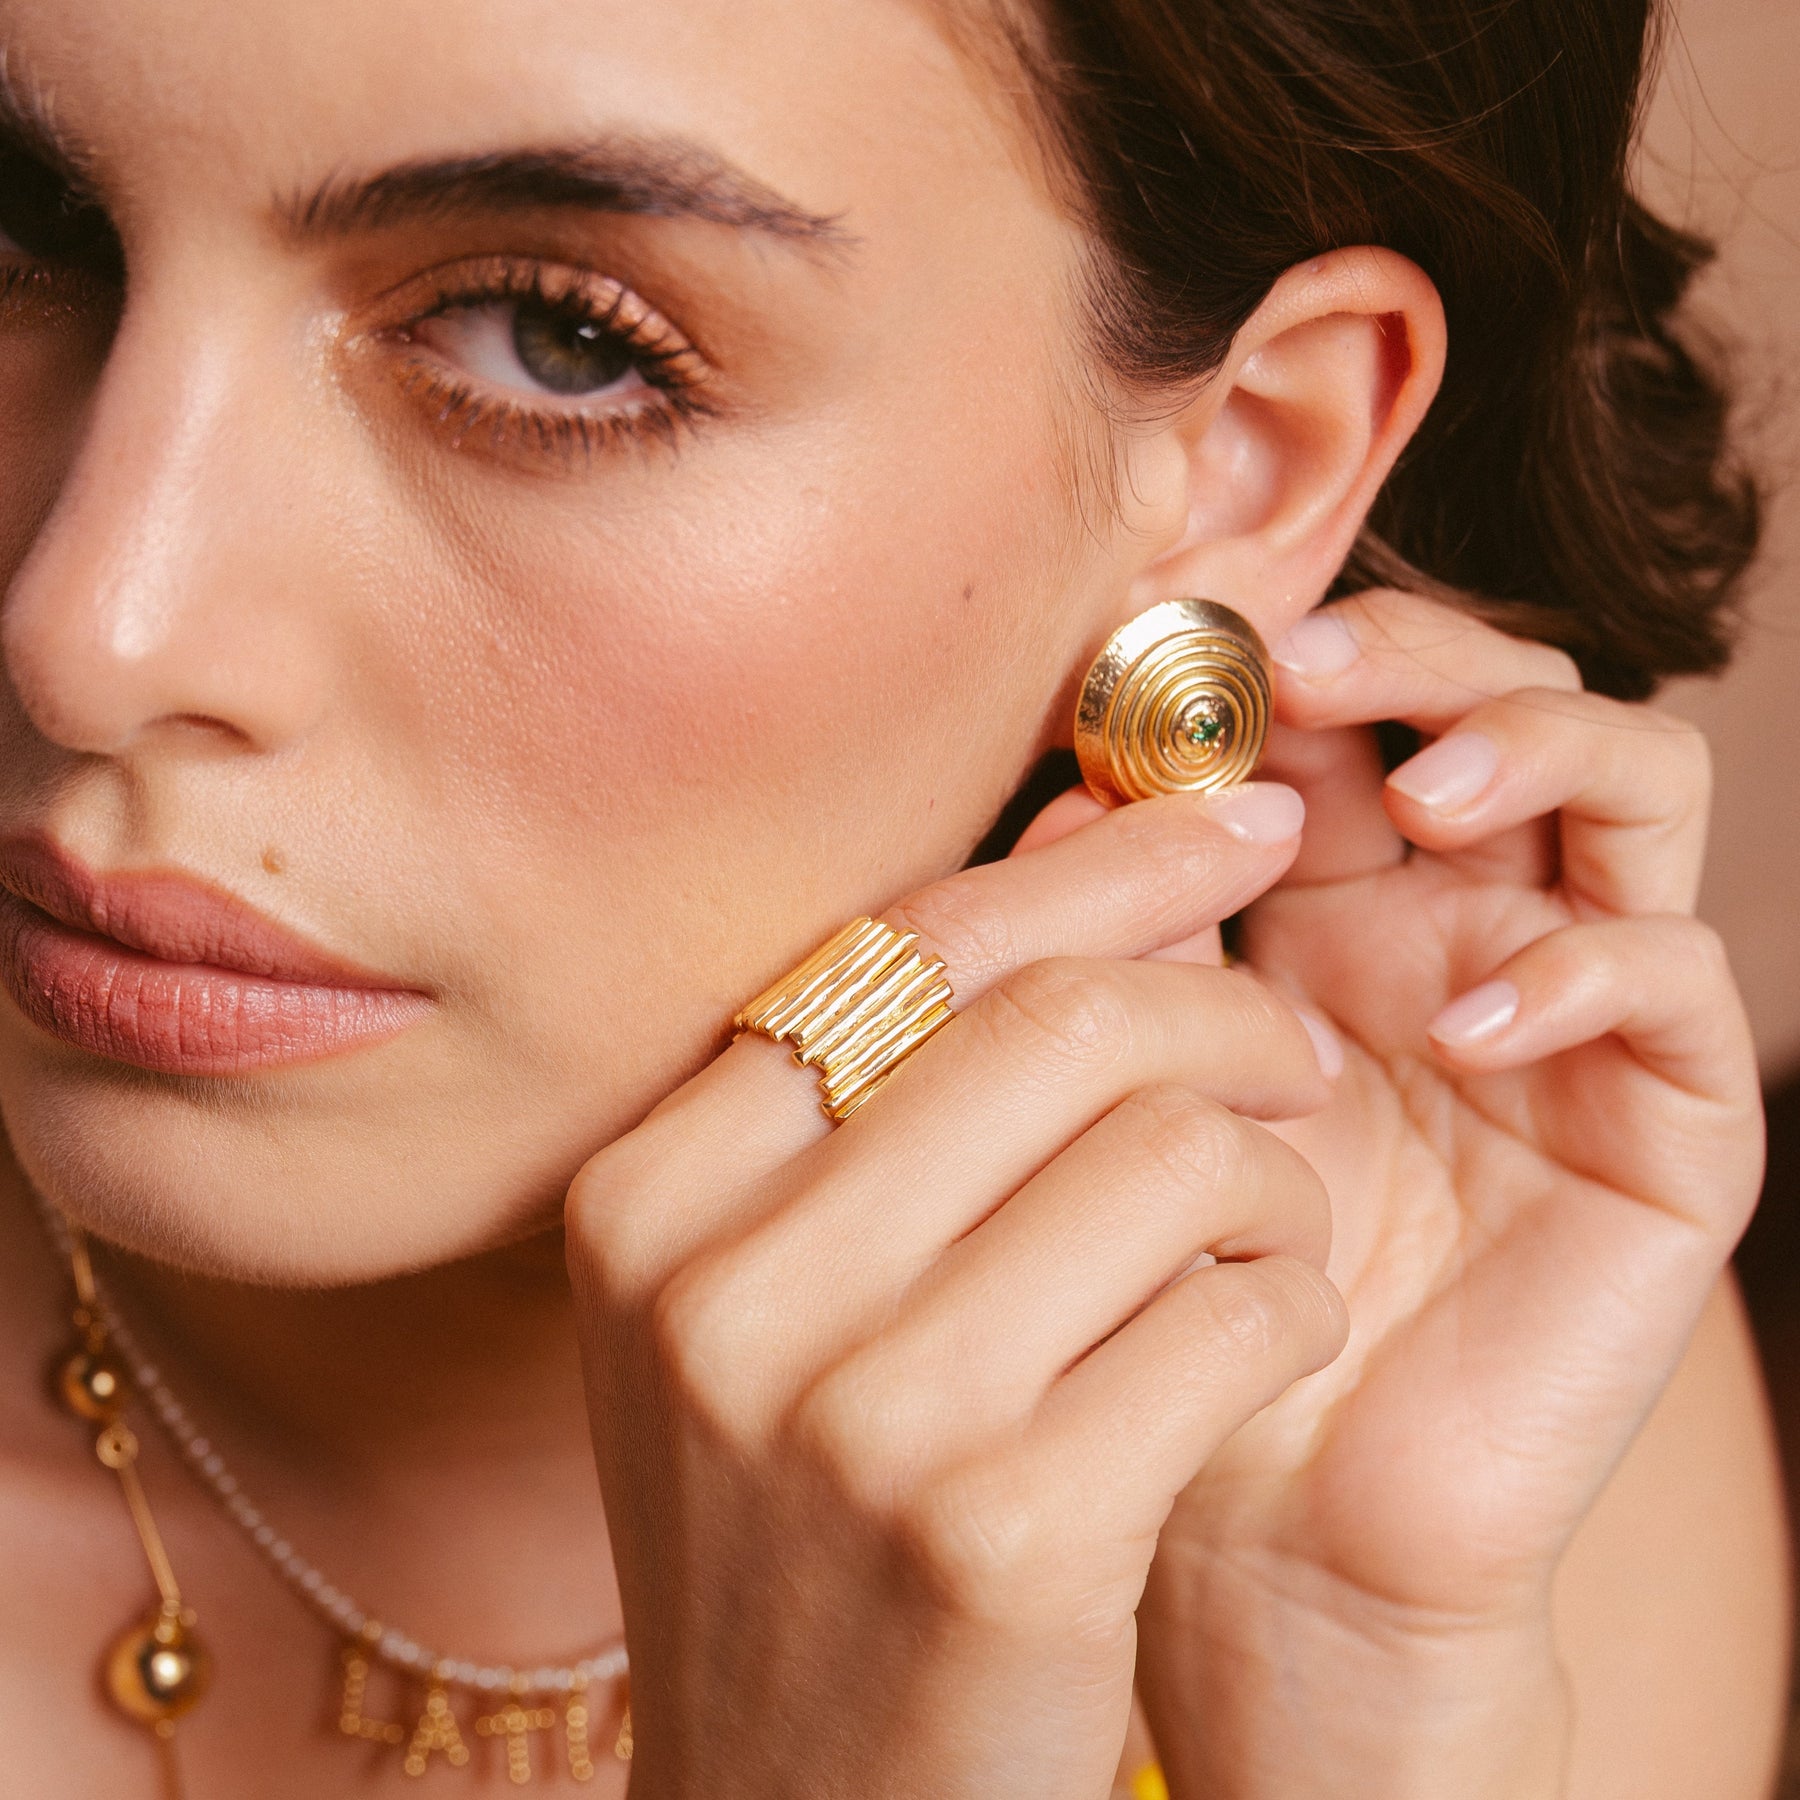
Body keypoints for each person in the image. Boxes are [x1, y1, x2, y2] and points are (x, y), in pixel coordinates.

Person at [0, 0, 1786, 1792]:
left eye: (555, 342)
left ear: (1248, 464)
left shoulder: (1406, 1340)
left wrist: (1340, 1688)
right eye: (18, 217)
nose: (83, 635)